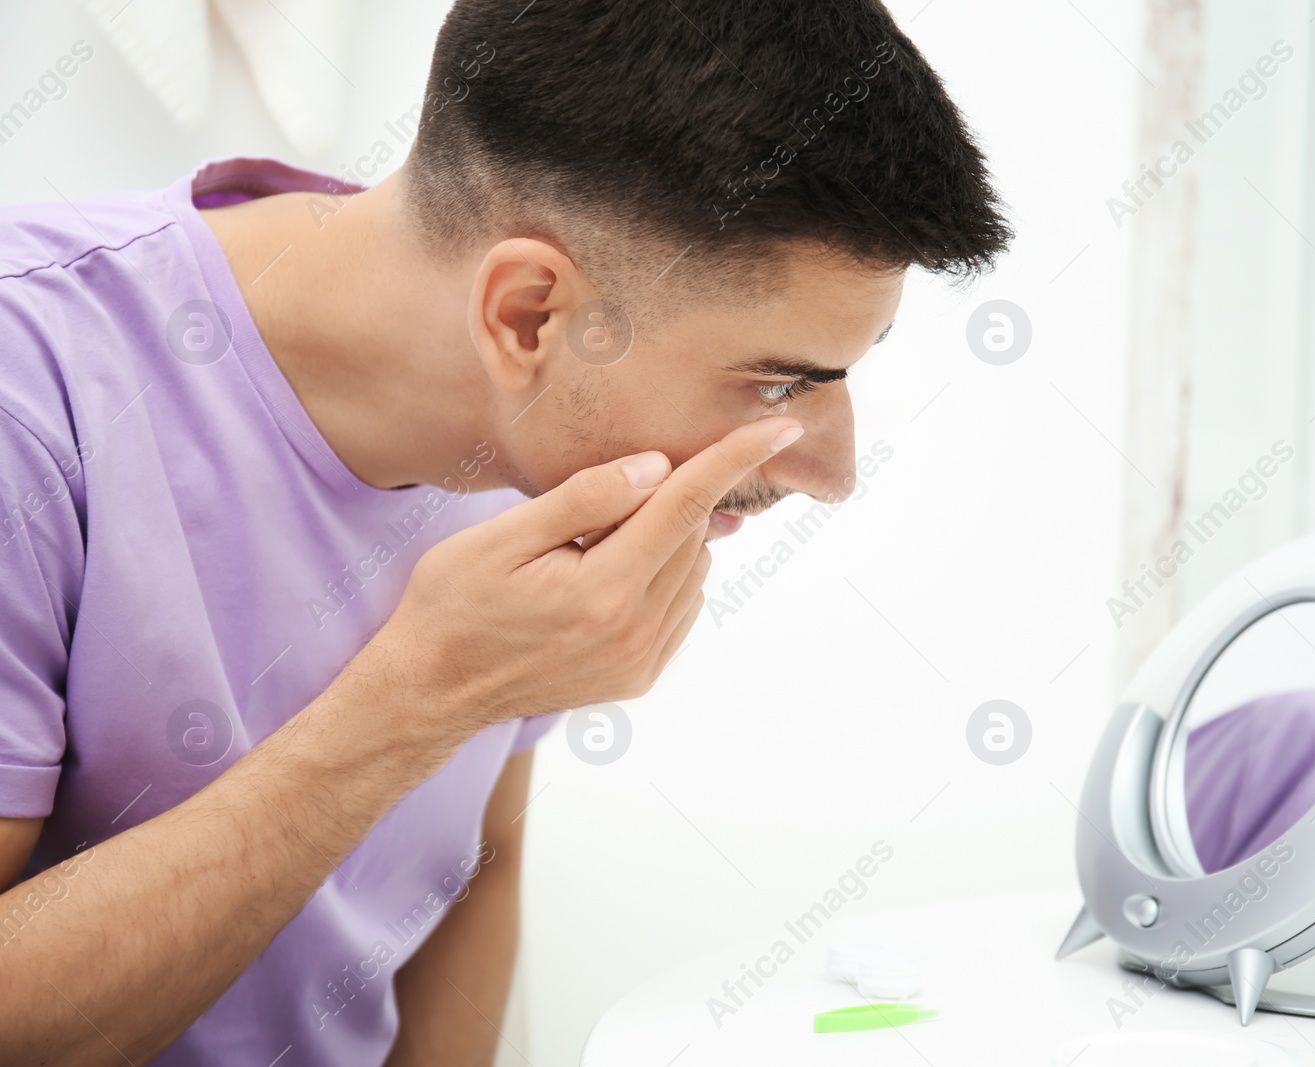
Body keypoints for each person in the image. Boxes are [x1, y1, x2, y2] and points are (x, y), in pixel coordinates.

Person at [0, 0, 1011, 1062]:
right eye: (777, 381)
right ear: (528, 313)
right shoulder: (36, 391)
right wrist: (424, 699)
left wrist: (466, 698)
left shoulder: (530, 426)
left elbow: (473, 856)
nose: (834, 472)